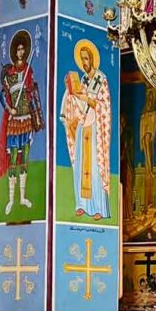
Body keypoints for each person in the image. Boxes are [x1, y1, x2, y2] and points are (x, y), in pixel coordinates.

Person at [60, 40, 112, 220]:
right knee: (82, 165)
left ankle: (98, 207)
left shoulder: (101, 78)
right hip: (83, 124)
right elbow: (79, 102)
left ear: (92, 59)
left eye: (86, 59)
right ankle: (82, 204)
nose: (84, 62)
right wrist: (72, 96)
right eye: (82, 59)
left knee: (95, 166)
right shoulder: (82, 80)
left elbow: (105, 106)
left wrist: (89, 100)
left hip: (96, 127)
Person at [0, 29, 43, 214]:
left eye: (24, 50)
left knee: (24, 160)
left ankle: (23, 198)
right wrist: (10, 109)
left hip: (26, 121)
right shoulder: (8, 73)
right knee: (13, 161)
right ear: (14, 52)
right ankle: (10, 200)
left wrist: (35, 114)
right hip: (14, 122)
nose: (21, 53)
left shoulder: (28, 71)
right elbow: (3, 96)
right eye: (19, 50)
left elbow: (32, 93)